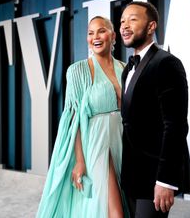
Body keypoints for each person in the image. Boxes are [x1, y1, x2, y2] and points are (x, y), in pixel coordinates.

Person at [36, 16, 128, 218]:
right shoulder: (77, 71)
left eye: (101, 31)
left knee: (122, 202)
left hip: (124, 141)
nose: (95, 36)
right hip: (96, 142)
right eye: (90, 32)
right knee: (115, 211)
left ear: (113, 36)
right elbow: (73, 120)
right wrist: (79, 160)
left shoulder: (126, 68)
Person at [120, 1, 189, 218]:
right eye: (122, 21)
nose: (124, 26)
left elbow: (175, 126)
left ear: (151, 27)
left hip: (154, 177)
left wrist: (166, 180)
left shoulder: (167, 63)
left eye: (132, 19)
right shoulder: (128, 69)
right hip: (131, 175)